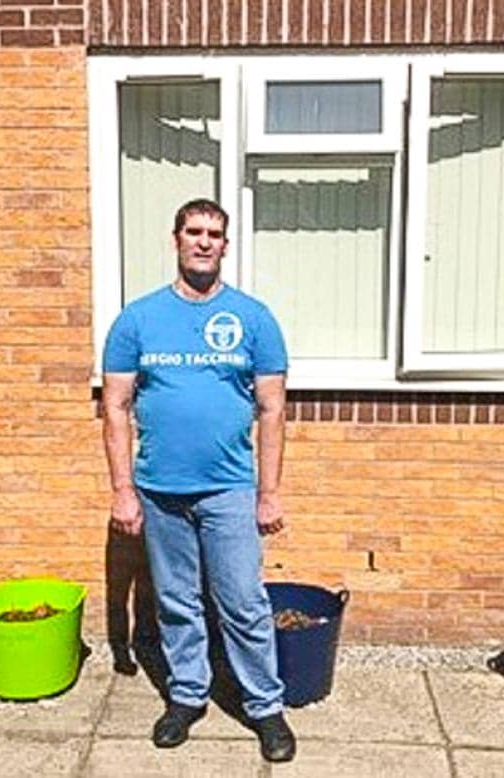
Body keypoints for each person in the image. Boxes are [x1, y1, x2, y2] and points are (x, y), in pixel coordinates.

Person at [101, 198, 296, 763]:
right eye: (194, 232)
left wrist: (269, 492)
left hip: (230, 489)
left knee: (242, 602)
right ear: (176, 239)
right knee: (176, 602)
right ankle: (187, 697)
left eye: (215, 233)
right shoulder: (137, 319)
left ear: (226, 245)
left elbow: (273, 409)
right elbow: (115, 407)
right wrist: (122, 490)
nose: (204, 242)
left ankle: (265, 706)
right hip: (160, 491)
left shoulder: (254, 319)